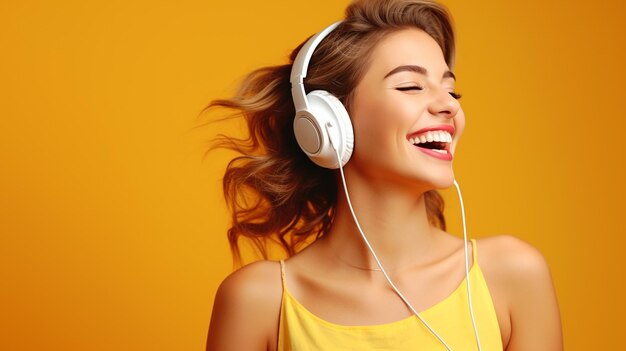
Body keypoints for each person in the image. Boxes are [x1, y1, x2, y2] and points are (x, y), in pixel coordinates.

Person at [205, 0, 562, 350]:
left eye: (451, 90)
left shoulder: (512, 275)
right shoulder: (259, 302)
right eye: (410, 86)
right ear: (328, 123)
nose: (450, 105)